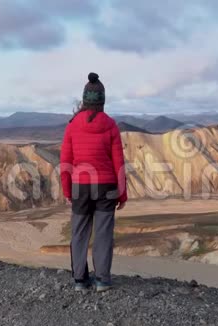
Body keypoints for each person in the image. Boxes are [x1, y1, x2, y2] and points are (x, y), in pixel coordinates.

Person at [60, 72, 127, 292]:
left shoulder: (72, 125)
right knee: (103, 233)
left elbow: (66, 162)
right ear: (102, 101)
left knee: (79, 232)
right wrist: (122, 193)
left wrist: (67, 190)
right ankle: (102, 280)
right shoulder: (111, 125)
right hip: (107, 187)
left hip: (80, 186)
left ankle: (80, 280)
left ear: (84, 100)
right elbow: (119, 163)